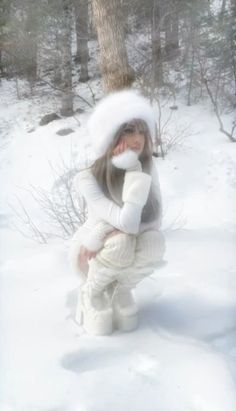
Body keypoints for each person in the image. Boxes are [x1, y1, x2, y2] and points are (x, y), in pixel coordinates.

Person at [69, 89, 165, 335]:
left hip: (119, 240)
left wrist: (134, 169)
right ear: (111, 136)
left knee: (154, 241)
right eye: (128, 130)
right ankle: (91, 293)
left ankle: (121, 290)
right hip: (90, 251)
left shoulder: (144, 169)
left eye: (141, 130)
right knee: (122, 241)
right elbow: (128, 224)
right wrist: (101, 233)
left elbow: (154, 220)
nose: (137, 138)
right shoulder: (87, 177)